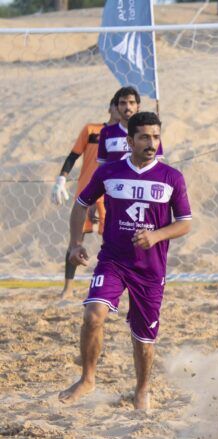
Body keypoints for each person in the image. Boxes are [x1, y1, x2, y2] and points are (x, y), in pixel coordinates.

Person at [59, 112, 193, 410]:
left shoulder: (172, 177)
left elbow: (185, 222)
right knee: (93, 315)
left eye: (156, 137)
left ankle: (142, 390)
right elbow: (80, 204)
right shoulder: (109, 172)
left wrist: (156, 236)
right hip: (113, 261)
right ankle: (87, 379)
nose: (151, 143)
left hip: (150, 269)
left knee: (143, 340)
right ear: (130, 141)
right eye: (144, 137)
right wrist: (75, 244)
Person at [52, 99, 119, 299]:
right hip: (86, 192)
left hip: (111, 194)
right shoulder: (91, 130)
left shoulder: (127, 136)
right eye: (118, 103)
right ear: (110, 107)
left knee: (112, 241)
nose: (123, 108)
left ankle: (111, 286)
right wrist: (61, 179)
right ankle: (68, 288)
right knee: (76, 240)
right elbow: (73, 156)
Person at [97, 86, 164, 165]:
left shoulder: (150, 132)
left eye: (131, 102)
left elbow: (158, 163)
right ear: (117, 107)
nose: (128, 107)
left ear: (138, 106)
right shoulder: (106, 132)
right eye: (123, 103)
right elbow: (101, 165)